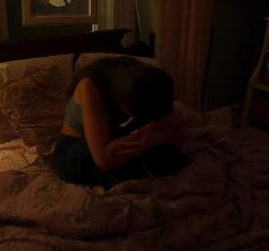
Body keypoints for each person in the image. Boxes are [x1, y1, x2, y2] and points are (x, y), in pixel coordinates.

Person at [52, 56, 185, 189]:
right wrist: (151, 138)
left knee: (169, 154)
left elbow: (167, 125)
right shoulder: (89, 86)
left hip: (110, 139)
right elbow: (103, 159)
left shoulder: (142, 80)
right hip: (75, 150)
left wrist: (155, 136)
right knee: (122, 163)